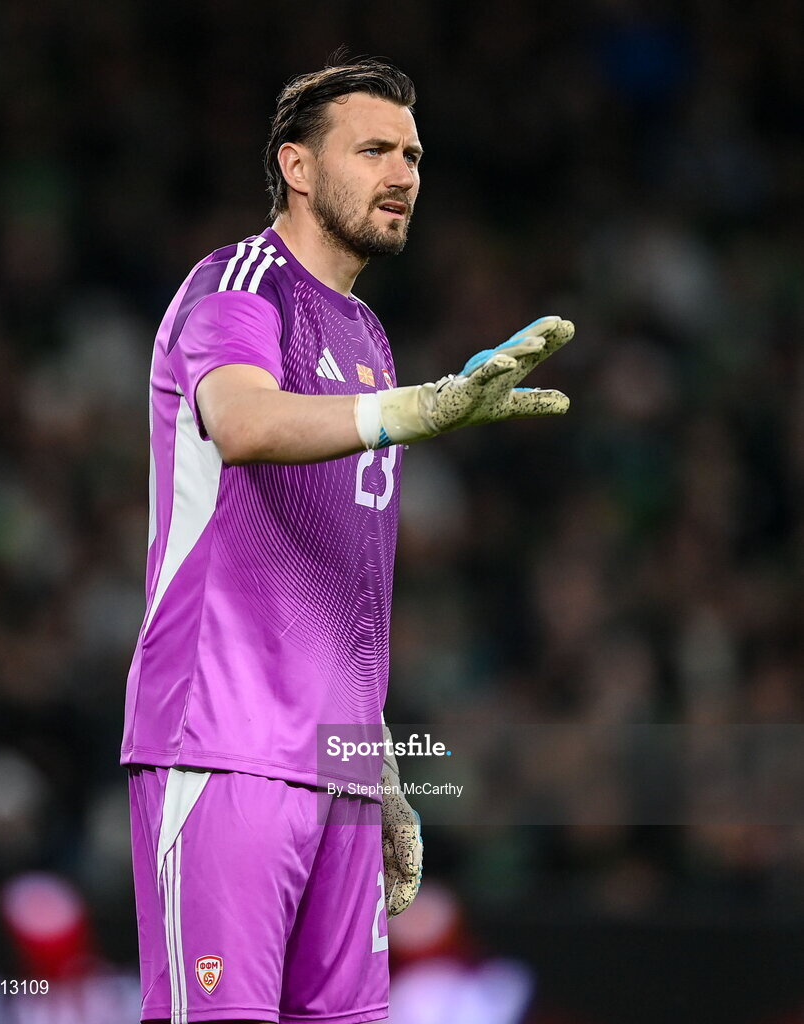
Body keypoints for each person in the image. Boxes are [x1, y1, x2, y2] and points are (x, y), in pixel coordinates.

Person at [122, 56, 573, 1024]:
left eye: (412, 155)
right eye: (372, 150)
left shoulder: (366, 334)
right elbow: (243, 421)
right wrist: (418, 408)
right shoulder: (240, 282)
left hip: (338, 769)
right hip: (226, 744)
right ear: (296, 166)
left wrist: (377, 760)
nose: (401, 174)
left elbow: (341, 575)